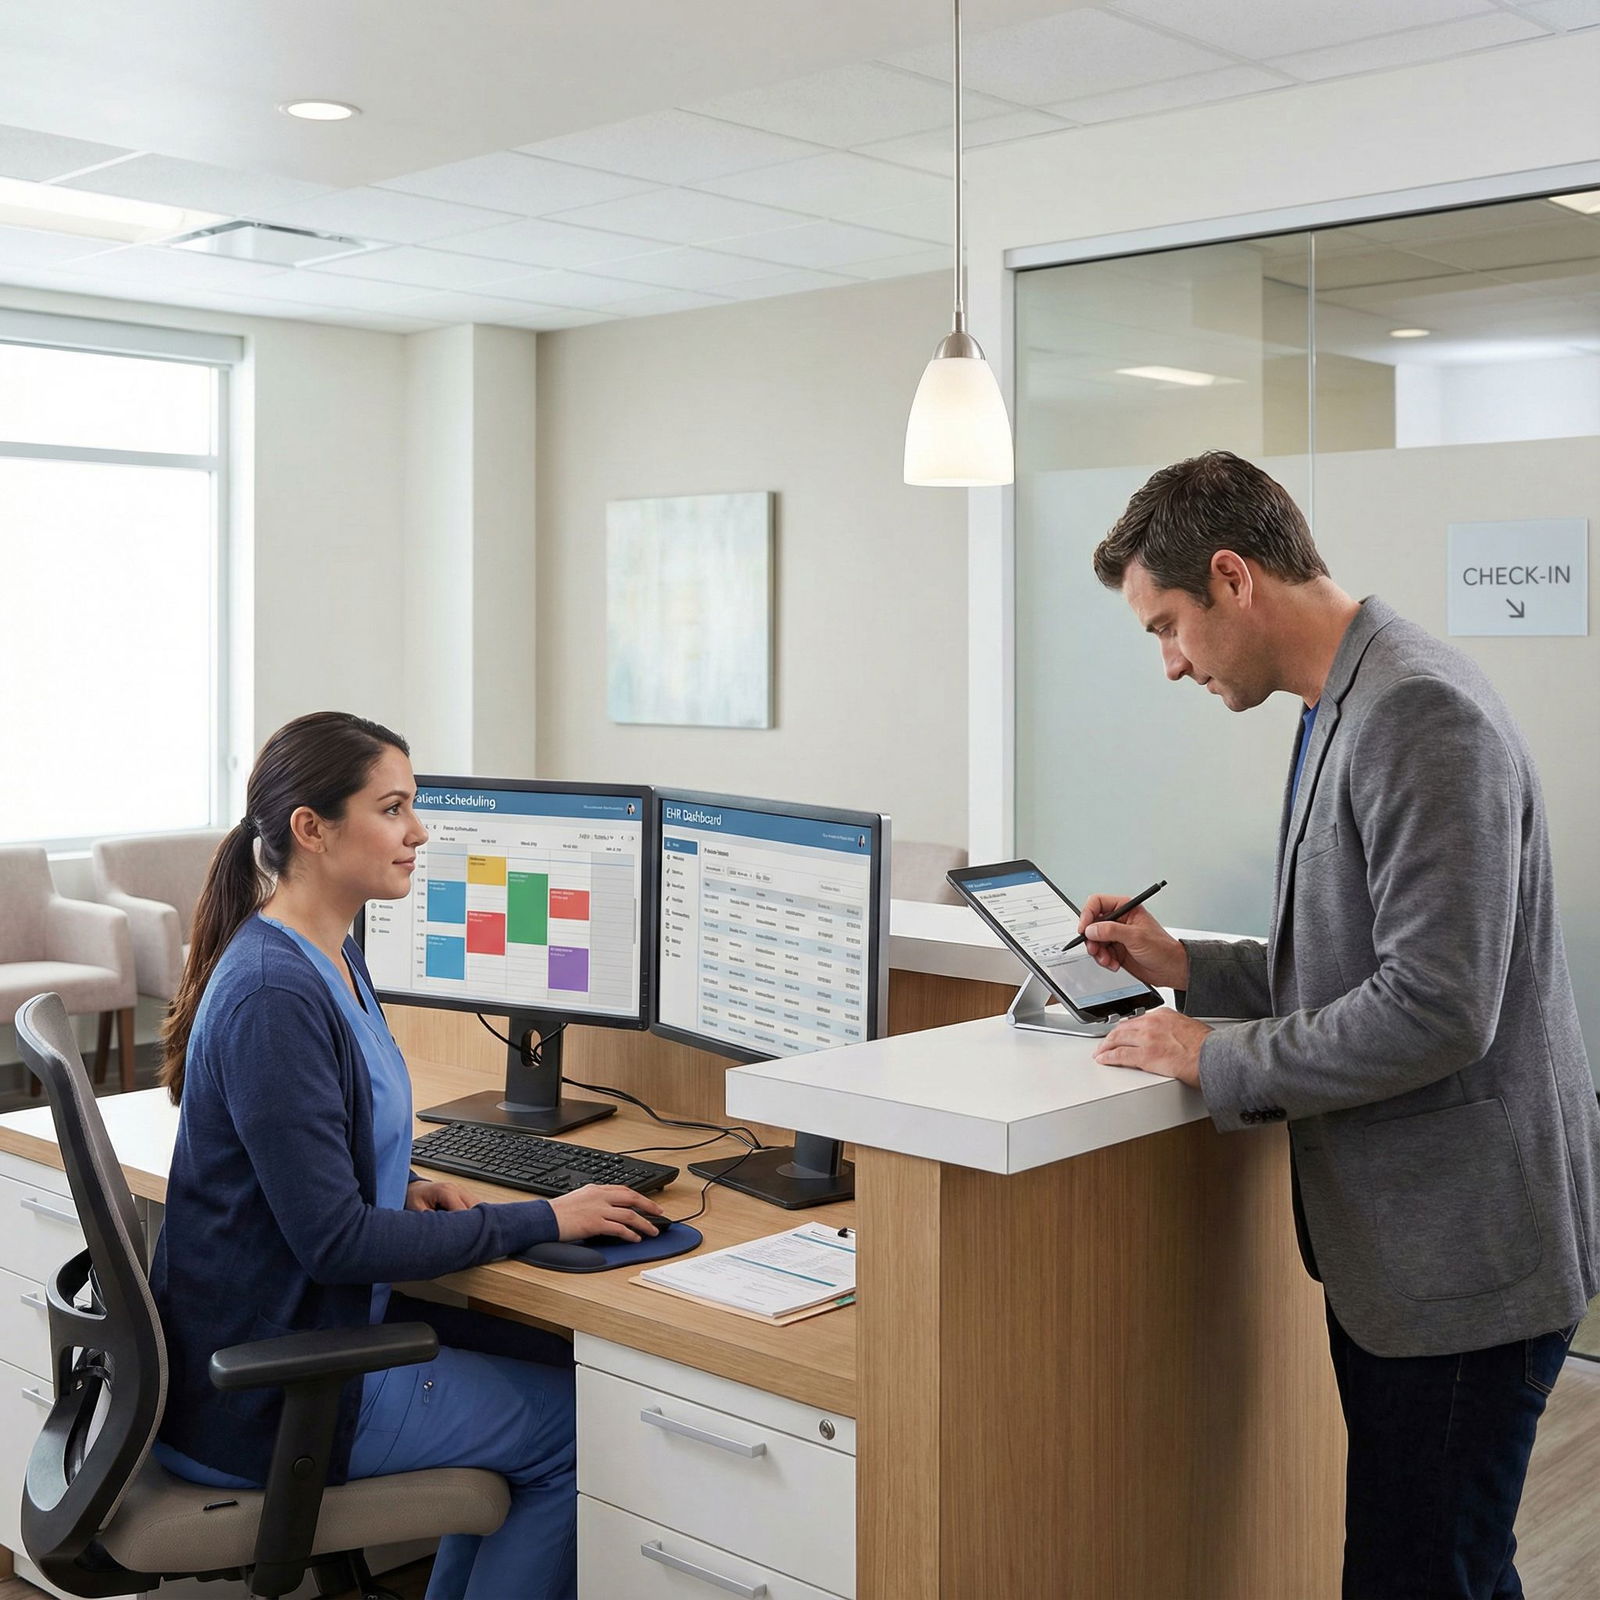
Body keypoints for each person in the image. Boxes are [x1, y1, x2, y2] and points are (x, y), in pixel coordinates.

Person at [1076, 451, 1600, 1600]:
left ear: (1231, 577)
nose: (1169, 663)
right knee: (1439, 1569)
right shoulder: (1337, 701)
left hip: (1467, 1258)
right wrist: (1187, 966)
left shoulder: (1415, 709)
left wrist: (1215, 1056)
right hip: (1408, 1258)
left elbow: (1435, 1007)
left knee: (1427, 1575)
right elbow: (1355, 961)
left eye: (1168, 626)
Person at [149, 711, 665, 1600]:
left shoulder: (327, 954)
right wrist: (544, 1216)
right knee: (583, 1431)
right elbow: (336, 1244)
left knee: (553, 1366)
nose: (418, 832)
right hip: (280, 1392)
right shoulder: (275, 993)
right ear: (311, 830)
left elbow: (318, 1165)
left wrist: (409, 1182)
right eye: (393, 809)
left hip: (304, 1336)